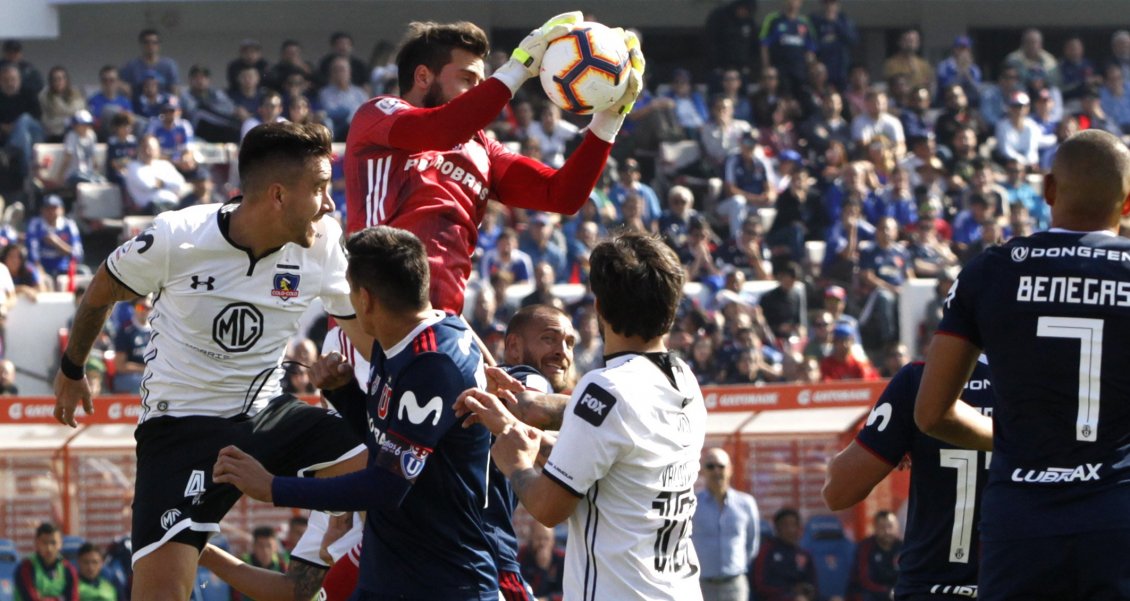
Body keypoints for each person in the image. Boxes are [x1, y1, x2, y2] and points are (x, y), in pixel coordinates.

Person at [52, 122, 369, 601]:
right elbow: (101, 288)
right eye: (321, 189)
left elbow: (366, 331)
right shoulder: (177, 236)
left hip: (269, 413)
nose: (330, 203)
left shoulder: (323, 240)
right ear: (279, 195)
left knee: (401, 466)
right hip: (180, 430)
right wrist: (73, 369)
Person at [213, 225, 498, 600]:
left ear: (364, 299)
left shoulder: (433, 363)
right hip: (391, 576)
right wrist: (344, 392)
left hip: (444, 582)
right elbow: (383, 441)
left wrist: (272, 488)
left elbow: (386, 485)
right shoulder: (397, 340)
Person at [915, 129, 1130, 600]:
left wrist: (1011, 441)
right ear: (1128, 203)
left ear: (1049, 189)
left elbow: (931, 412)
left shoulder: (990, 272)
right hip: (1118, 515)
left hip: (1022, 518)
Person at [460, 231, 707, 600]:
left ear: (600, 309)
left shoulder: (605, 390)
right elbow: (618, 440)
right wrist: (527, 408)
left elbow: (548, 507)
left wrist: (516, 462)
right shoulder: (684, 380)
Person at [344, 15, 641, 315]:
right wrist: (517, 69)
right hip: (375, 317)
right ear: (423, 77)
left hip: (442, 323)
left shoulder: (481, 149)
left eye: (481, 83)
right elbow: (441, 130)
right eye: (467, 79)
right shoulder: (379, 114)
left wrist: (608, 122)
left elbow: (563, 196)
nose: (478, 91)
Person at [824, 357, 993, 600]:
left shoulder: (920, 379)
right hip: (1022, 585)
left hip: (933, 589)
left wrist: (896, 441)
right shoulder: (1046, 382)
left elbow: (837, 491)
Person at [692, 447, 760, 601]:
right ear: (702, 471)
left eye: (721, 466)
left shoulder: (746, 503)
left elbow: (752, 543)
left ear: (730, 469)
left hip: (734, 584)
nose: (716, 471)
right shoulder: (692, 504)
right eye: (710, 466)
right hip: (702, 585)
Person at [751, 508, 818, 601]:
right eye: (785, 525)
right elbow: (761, 585)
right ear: (777, 528)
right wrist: (790, 593)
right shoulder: (766, 551)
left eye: (794, 525)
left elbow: (813, 587)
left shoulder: (804, 555)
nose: (791, 530)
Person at [14, 522, 79, 601]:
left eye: (53, 543)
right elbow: (31, 598)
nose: (49, 548)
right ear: (36, 543)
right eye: (45, 543)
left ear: (60, 544)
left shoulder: (69, 569)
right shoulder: (26, 567)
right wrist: (59, 598)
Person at [25, 194, 82, 283]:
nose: (51, 212)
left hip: (64, 268)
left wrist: (56, 242)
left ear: (62, 210)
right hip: (42, 268)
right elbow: (32, 253)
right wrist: (39, 270)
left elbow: (78, 254)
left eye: (54, 208)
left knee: (84, 272)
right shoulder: (35, 225)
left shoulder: (69, 225)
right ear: (42, 210)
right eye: (47, 208)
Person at [846, 511, 901, 601]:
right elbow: (864, 580)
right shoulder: (865, 547)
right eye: (882, 527)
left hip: (896, 593)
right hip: (870, 593)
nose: (887, 531)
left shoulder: (904, 547)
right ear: (875, 528)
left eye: (890, 526)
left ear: (897, 527)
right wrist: (888, 592)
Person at [120, 29, 179, 97]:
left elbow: (175, 90)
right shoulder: (131, 66)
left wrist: (174, 105)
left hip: (163, 105)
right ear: (141, 44)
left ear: (159, 45)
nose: (150, 45)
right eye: (147, 42)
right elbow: (116, 80)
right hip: (138, 105)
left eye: (154, 42)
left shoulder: (169, 65)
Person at [517, 523, 565, 601]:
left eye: (546, 539)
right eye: (539, 538)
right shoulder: (523, 555)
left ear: (553, 541)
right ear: (531, 539)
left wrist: (547, 599)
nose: (542, 543)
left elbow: (565, 592)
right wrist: (541, 569)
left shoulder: (561, 558)